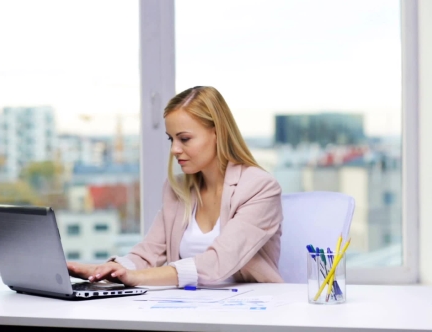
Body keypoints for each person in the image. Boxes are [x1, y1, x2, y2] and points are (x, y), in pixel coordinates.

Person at [67, 86, 283, 287]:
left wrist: (136, 277)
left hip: (250, 311)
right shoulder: (178, 189)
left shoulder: (260, 187)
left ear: (218, 133)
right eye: (172, 139)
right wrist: (110, 270)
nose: (175, 150)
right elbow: (147, 254)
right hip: (186, 308)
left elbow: (218, 262)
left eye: (185, 139)